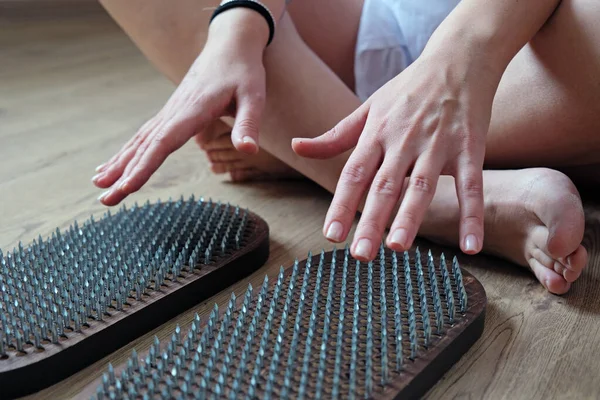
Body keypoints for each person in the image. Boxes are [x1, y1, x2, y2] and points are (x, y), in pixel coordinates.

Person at [91, 0, 600, 295]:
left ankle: (308, 154)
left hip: (522, 54)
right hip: (367, 27)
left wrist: (459, 60)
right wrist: (239, 23)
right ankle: (429, 200)